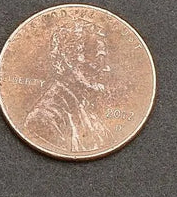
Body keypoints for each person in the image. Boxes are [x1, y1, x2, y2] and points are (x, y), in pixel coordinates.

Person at [24, 18, 115, 153]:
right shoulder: (42, 118)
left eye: (103, 57)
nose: (104, 67)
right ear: (66, 60)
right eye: (93, 54)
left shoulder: (85, 108)